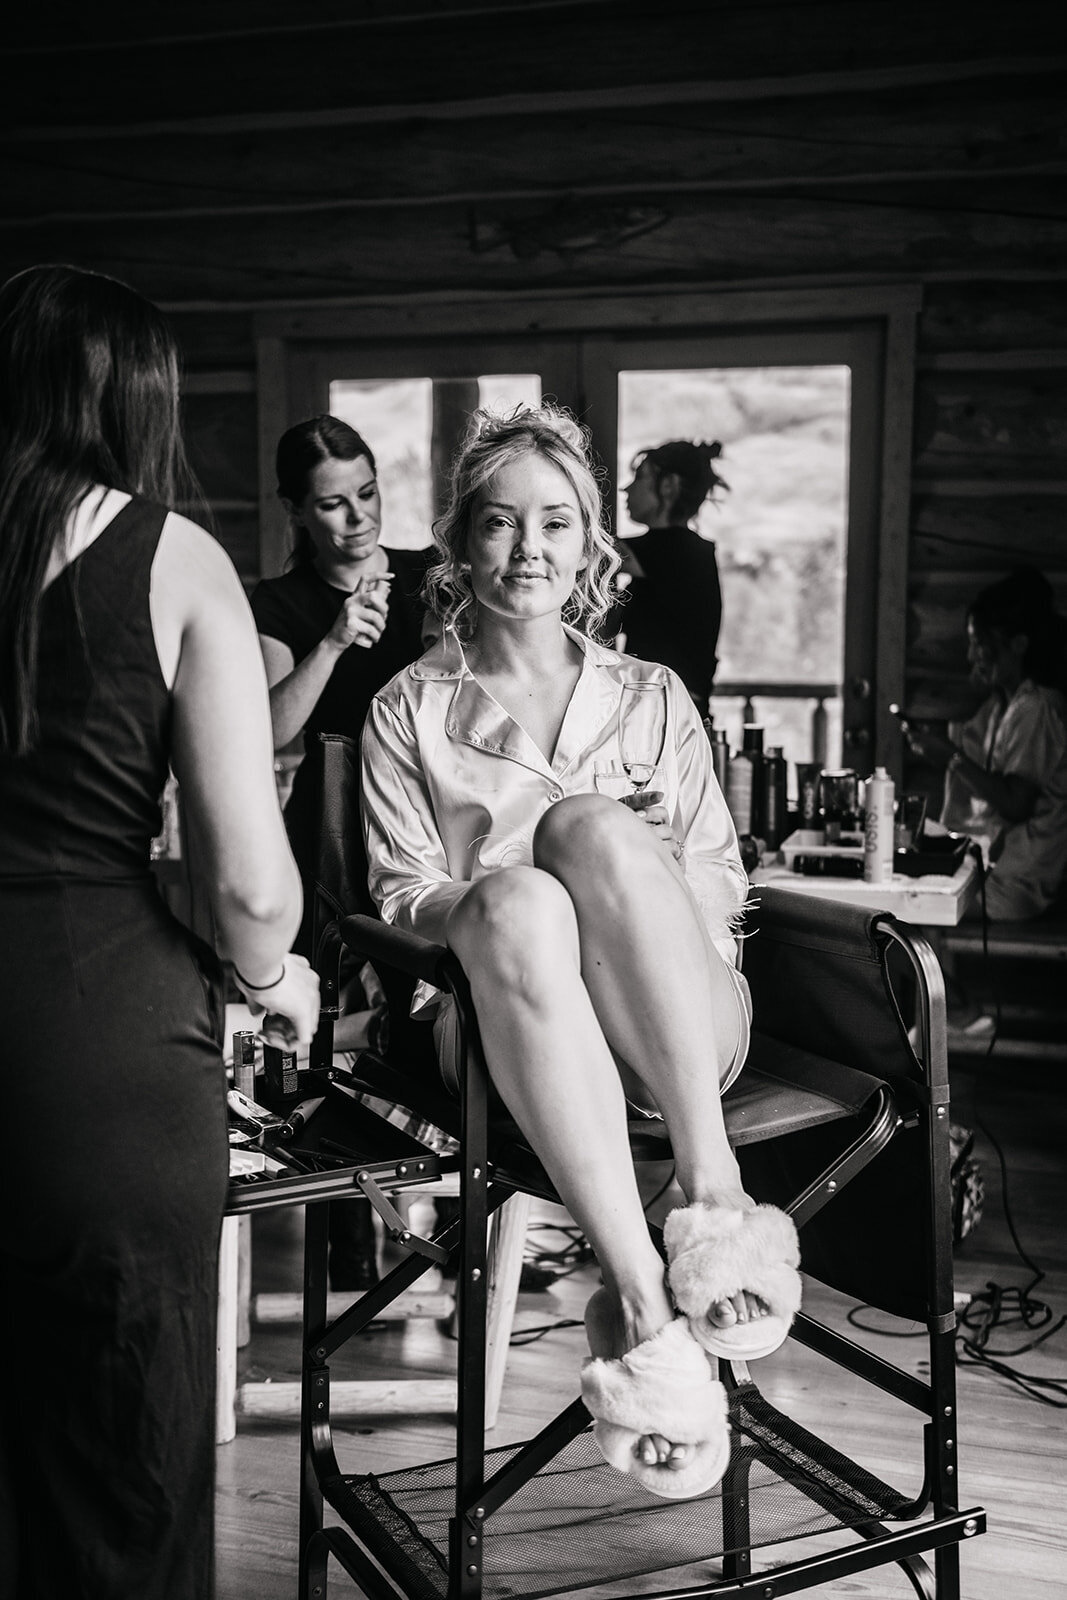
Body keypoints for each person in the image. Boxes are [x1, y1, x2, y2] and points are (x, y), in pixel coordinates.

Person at [360, 404, 801, 1500]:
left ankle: (712, 1197)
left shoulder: (652, 697)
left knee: (588, 828)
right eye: (501, 525)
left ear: (589, 541)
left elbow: (717, 876)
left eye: (555, 522)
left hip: (680, 1033)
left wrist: (622, 895)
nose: (528, 549)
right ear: (462, 544)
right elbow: (402, 890)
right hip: (516, 1038)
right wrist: (512, 904)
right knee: (515, 899)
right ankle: (646, 1298)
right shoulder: (406, 711)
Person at [0, 264, 319, 1599]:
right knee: (115, 1477)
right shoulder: (169, 556)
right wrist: (275, 974)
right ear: (139, 401)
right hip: (94, 1053)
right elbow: (246, 883)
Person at [250, 415, 433, 1289]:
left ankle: (426, 1214)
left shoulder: (431, 580)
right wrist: (330, 643)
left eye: (368, 495)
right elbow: (269, 733)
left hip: (416, 830)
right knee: (319, 1030)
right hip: (319, 834)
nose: (357, 519)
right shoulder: (277, 605)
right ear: (295, 510)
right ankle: (342, 1219)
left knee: (419, 1018)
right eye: (331, 504)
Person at [905, 565, 1067, 923]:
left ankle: (927, 980)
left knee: (918, 906)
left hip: (1021, 883)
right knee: (913, 891)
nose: (971, 657)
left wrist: (951, 756)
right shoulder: (1002, 706)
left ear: (1018, 645)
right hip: (1002, 869)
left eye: (981, 645)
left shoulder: (1038, 709)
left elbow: (1015, 803)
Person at [613, 438, 729, 714]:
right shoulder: (665, 559)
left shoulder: (681, 552)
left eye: (639, 478)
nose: (626, 488)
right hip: (659, 708)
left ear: (668, 486)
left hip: (670, 714)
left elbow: (595, 550)